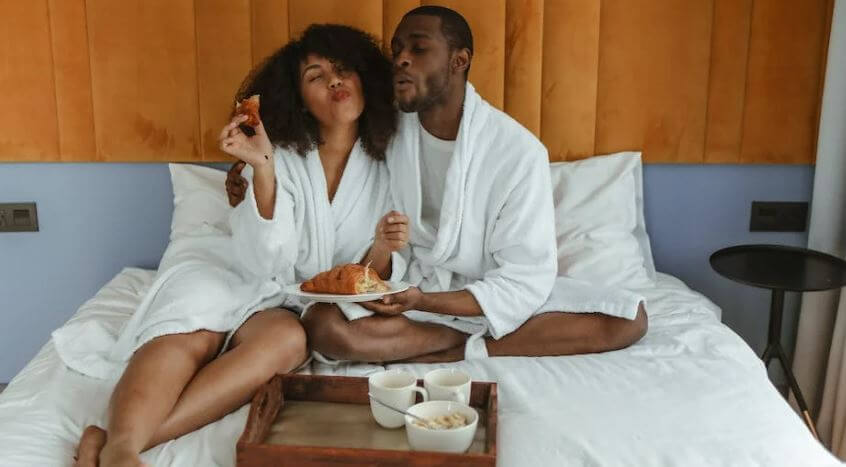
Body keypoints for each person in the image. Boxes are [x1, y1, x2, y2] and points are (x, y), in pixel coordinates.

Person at [72, 24, 405, 467]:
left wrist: (383, 247)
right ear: (299, 97)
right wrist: (263, 168)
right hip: (230, 265)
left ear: (366, 78)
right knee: (193, 327)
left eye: (343, 70)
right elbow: (262, 258)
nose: (334, 81)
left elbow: (367, 273)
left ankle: (116, 441)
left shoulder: (390, 163)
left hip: (289, 301)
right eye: (315, 75)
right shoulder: (273, 151)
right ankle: (122, 452)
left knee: (289, 342)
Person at [298, 6, 649, 364]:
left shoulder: (517, 152)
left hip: (483, 295)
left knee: (627, 318)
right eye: (397, 50)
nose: (401, 59)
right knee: (321, 323)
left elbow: (525, 277)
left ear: (459, 60)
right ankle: (455, 340)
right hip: (410, 293)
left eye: (418, 49)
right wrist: (250, 175)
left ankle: (456, 345)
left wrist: (427, 302)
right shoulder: (389, 132)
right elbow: (324, 144)